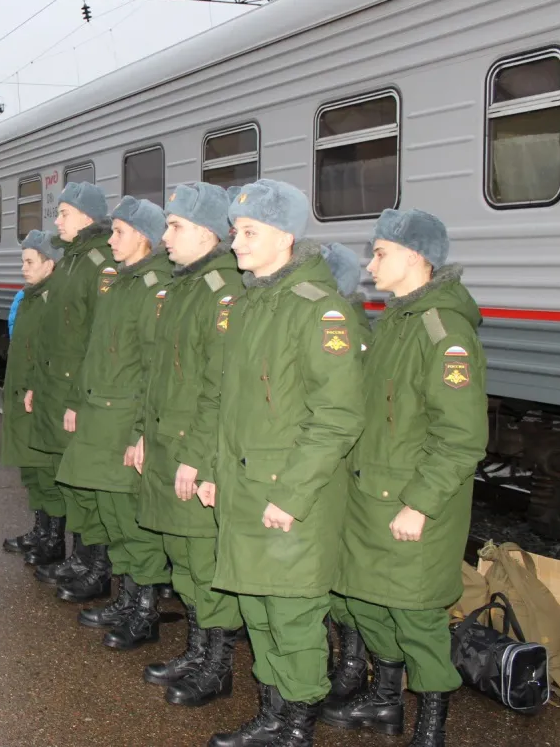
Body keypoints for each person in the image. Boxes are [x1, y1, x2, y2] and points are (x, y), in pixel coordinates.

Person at [208, 179, 365, 747]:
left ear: (286, 237)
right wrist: (213, 473)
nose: (236, 242)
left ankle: (296, 727)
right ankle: (272, 715)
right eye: (234, 230)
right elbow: (232, 407)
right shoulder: (253, 301)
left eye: (249, 232)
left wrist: (292, 496)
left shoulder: (318, 311)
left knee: (293, 617)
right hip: (245, 487)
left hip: (290, 497)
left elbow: (338, 418)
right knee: (258, 608)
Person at [323, 210, 487, 747]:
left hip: (413, 503)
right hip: (371, 497)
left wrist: (419, 504)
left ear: (415, 257)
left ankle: (432, 726)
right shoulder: (396, 320)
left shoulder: (445, 332)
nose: (369, 265)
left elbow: (460, 437)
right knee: (367, 604)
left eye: (380, 253)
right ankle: (386, 703)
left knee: (416, 618)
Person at [133, 182, 245, 706]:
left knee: (203, 560)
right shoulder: (183, 285)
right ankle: (197, 651)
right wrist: (144, 433)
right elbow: (160, 373)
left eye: (174, 226)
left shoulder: (221, 290)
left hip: (191, 448)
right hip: (167, 442)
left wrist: (198, 458)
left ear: (203, 232)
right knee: (182, 554)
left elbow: (217, 387)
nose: (165, 234)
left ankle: (216, 665)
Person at [54, 197, 172, 652]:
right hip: (100, 415)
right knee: (109, 512)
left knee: (130, 519)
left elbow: (152, 367)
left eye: (120, 232)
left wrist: (141, 432)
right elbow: (96, 350)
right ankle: (127, 600)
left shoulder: (152, 286)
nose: (112, 239)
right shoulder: (121, 283)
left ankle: (143, 611)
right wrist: (77, 402)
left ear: (142, 236)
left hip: (123, 420)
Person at [26, 182, 115, 588]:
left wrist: (80, 396)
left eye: (63, 212)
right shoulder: (73, 261)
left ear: (85, 216)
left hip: (77, 391)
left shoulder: (98, 262)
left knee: (83, 481)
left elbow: (99, 338)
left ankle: (94, 565)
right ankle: (82, 559)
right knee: (69, 477)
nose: (56, 219)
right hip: (57, 387)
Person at [318, 240, 374, 707]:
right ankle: (343, 662)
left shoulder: (342, 322)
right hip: (346, 463)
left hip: (349, 465)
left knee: (342, 573)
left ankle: (351, 665)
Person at [0, 230, 66, 564]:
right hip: (21, 395)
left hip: (38, 397)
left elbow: (53, 352)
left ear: (49, 264)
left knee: (45, 470)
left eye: (29, 261)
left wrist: (36, 387)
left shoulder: (53, 301)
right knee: (31, 470)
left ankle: (53, 541)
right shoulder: (29, 296)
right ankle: (41, 531)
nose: (23, 268)